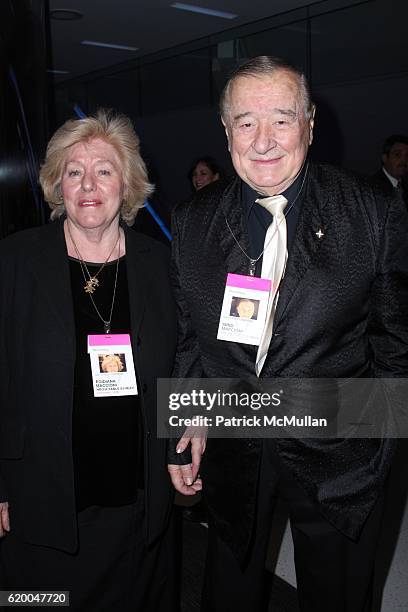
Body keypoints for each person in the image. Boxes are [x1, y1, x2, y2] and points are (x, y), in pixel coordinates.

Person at [168, 56, 408, 612]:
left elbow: (396, 342)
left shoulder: (373, 210)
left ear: (311, 123)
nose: (264, 140)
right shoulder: (192, 220)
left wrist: (380, 454)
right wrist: (182, 427)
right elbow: (188, 337)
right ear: (226, 131)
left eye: (282, 118)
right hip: (232, 450)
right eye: (246, 123)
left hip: (339, 453)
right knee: (228, 591)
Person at [0, 109, 178, 611]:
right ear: (58, 185)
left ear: (128, 183)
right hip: (43, 499)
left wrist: (183, 447)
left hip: (137, 497)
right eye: (73, 172)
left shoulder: (159, 265)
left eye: (104, 170)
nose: (88, 185)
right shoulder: (15, 261)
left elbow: (182, 363)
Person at [372, 134, 408, 204]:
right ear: (385, 158)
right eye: (397, 154)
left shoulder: (405, 185)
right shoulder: (372, 188)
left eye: (407, 156)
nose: (404, 160)